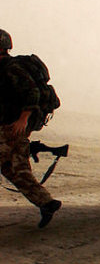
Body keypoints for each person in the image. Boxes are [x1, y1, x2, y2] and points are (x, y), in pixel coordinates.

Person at [0, 29, 62, 228]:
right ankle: (46, 203)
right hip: (10, 126)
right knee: (14, 169)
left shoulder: (11, 68)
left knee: (14, 166)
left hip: (12, 127)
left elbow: (32, 91)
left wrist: (23, 119)